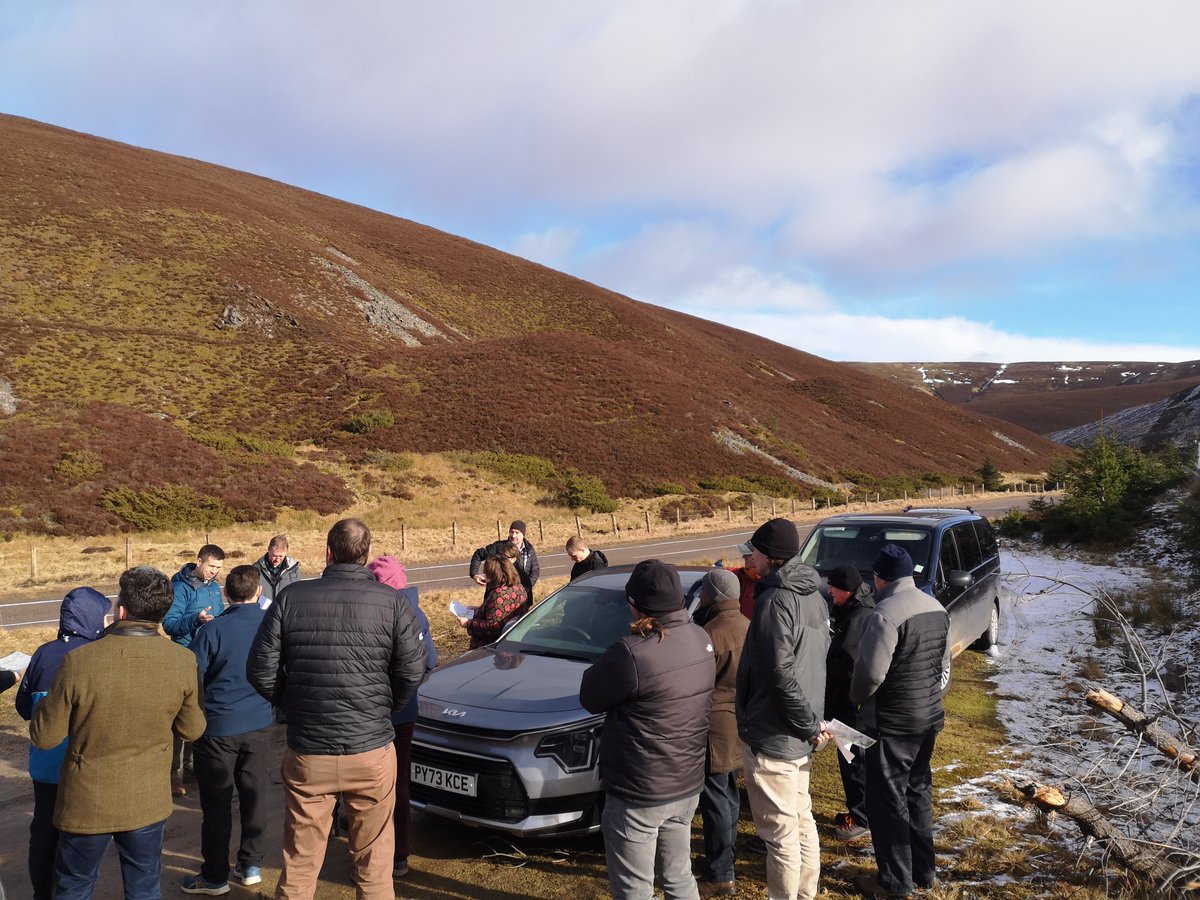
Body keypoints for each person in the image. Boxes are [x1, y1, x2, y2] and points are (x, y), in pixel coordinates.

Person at [247, 518, 427, 899]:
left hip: (311, 750)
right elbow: (413, 669)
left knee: (298, 865)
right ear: (366, 556)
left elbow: (260, 670)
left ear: (328, 553)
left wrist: (293, 705)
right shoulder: (393, 603)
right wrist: (384, 707)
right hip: (372, 749)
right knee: (375, 868)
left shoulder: (291, 599)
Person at [30, 566, 206, 900]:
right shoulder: (183, 661)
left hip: (86, 801)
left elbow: (45, 737)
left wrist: (43, 702)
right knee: (144, 888)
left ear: (121, 611)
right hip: (147, 799)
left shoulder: (78, 661)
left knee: (74, 886)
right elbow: (192, 728)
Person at [580, 560, 715, 900]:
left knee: (635, 888)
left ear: (635, 603)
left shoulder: (633, 653)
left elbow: (590, 695)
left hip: (639, 790)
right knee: (678, 876)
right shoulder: (701, 638)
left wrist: (631, 637)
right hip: (686, 781)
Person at [735, 518, 831, 900]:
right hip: (800, 730)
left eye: (754, 550)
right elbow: (814, 661)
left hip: (777, 735)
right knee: (801, 819)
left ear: (769, 556)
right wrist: (811, 723)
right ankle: (806, 894)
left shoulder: (776, 599)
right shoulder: (814, 594)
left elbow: (780, 674)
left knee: (780, 834)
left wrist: (808, 724)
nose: (750, 556)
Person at [850, 545, 949, 899]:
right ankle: (925, 871)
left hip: (893, 723)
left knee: (887, 800)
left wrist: (855, 699)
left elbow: (871, 673)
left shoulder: (886, 613)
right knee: (918, 792)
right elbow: (940, 660)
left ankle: (893, 881)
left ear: (881, 578)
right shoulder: (936, 607)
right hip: (929, 716)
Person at [181, 565, 274, 895]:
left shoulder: (212, 631)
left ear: (226, 594)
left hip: (218, 728)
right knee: (255, 795)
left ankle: (215, 875)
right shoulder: (270, 626)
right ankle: (251, 864)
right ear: (258, 592)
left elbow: (192, 679)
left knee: (217, 804)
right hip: (260, 723)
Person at [16, 587, 110, 900]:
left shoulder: (44, 652)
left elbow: (23, 707)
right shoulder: (100, 654)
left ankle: (41, 892)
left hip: (45, 762)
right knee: (77, 836)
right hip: (83, 762)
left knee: (43, 829)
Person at [367, 554, 439, 881]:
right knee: (400, 782)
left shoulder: (369, 614)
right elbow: (430, 660)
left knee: (370, 785)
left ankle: (374, 855)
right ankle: (399, 853)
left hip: (371, 712)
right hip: (405, 711)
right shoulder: (417, 614)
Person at [693, 568, 749, 898]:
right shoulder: (748, 626)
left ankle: (720, 874)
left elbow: (699, 685)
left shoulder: (709, 634)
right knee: (728, 794)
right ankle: (724, 859)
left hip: (714, 726)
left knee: (716, 799)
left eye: (703, 591)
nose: (700, 595)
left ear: (713, 595)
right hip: (738, 723)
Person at [163, 543, 225, 796]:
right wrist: (195, 620)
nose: (214, 572)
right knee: (179, 717)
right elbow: (169, 624)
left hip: (208, 659)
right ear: (199, 561)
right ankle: (171, 773)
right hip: (185, 658)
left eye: (219, 568)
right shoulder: (180, 588)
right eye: (211, 566)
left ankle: (192, 768)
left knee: (198, 715)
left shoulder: (214, 588)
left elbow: (219, 616)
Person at [823, 564, 875, 843]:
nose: (829, 592)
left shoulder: (857, 618)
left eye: (832, 588)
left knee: (854, 759)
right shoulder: (855, 611)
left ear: (846, 590)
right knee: (855, 759)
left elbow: (850, 666)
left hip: (850, 708)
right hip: (850, 705)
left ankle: (861, 817)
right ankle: (862, 811)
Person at [455, 553, 529, 649]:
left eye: (487, 573)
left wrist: (468, 623)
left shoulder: (499, 594)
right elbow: (500, 612)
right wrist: (478, 610)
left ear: (494, 575)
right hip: (514, 642)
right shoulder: (519, 587)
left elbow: (493, 626)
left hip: (491, 649)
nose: (485, 576)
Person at [469, 519, 540, 600]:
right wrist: (474, 574)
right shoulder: (498, 547)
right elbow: (478, 554)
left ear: (523, 534)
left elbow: (535, 570)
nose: (513, 535)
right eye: (511, 532)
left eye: (517, 532)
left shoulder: (529, 550)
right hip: (498, 598)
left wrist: (525, 588)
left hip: (522, 599)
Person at [255, 534, 301, 608]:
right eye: (274, 555)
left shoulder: (294, 569)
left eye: (281, 556)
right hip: (263, 613)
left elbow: (298, 594)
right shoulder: (256, 569)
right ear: (268, 550)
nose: (277, 559)